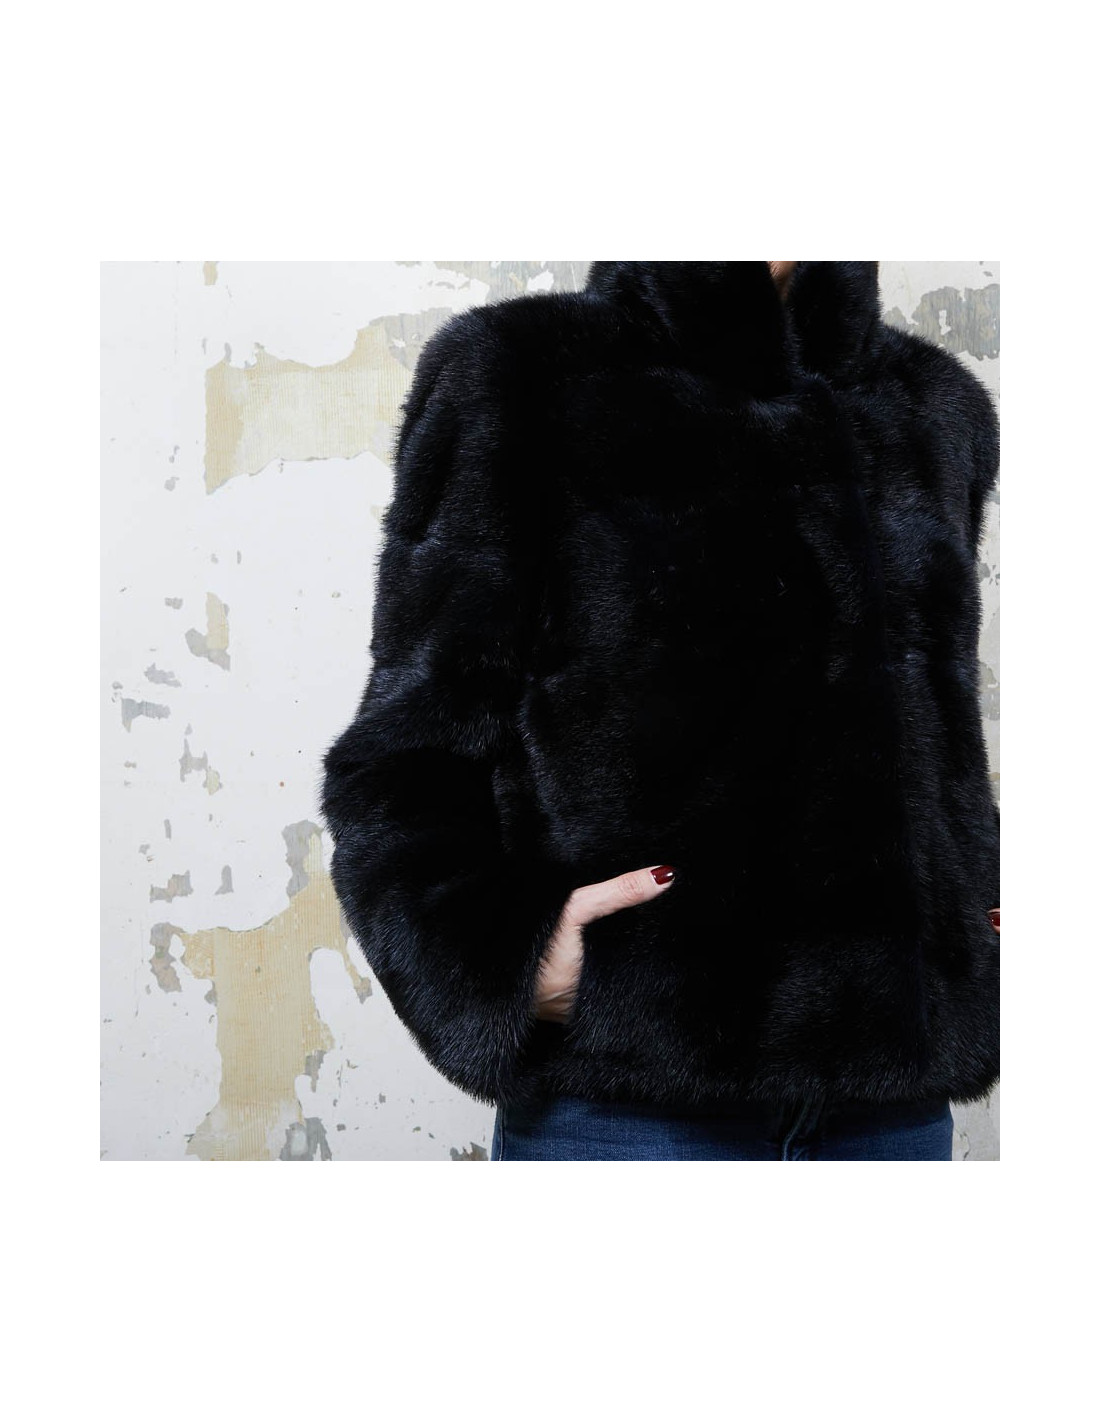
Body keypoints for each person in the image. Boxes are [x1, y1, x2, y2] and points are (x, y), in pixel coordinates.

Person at [321, 260, 1001, 1162]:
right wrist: (501, 969)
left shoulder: (936, 408)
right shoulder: (520, 374)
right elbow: (410, 748)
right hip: (632, 1108)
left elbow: (943, 742)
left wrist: (982, 915)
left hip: (893, 1110)